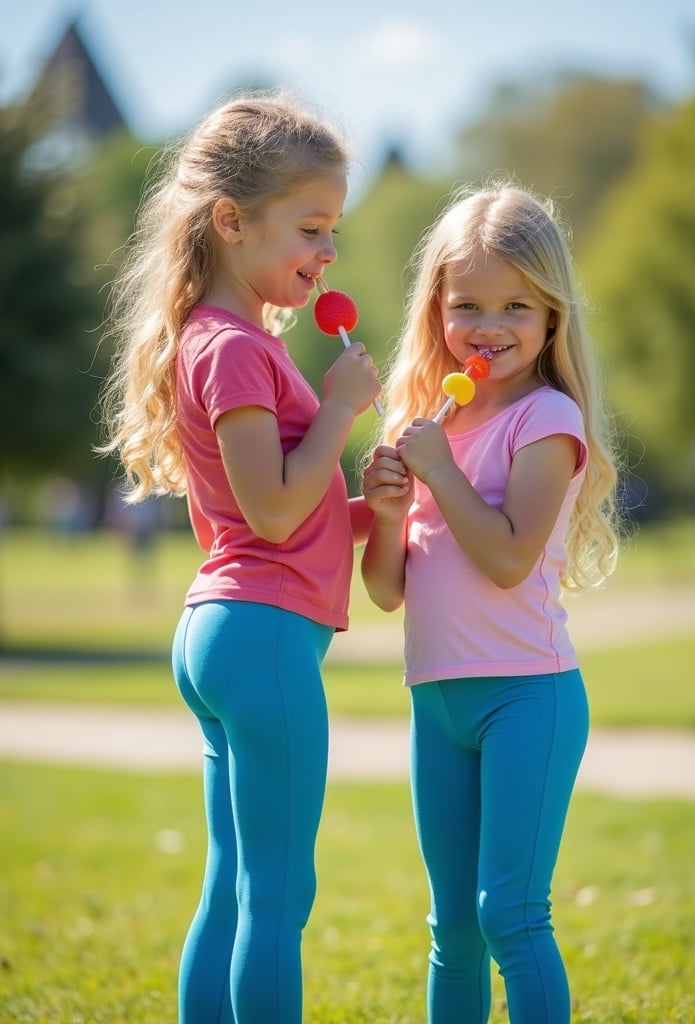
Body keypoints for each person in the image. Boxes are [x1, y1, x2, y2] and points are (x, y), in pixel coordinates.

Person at [98, 91, 381, 1024]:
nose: (328, 253)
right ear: (231, 222)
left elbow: (289, 510)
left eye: (332, 229)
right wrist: (340, 410)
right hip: (261, 639)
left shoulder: (231, 342)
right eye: (310, 227)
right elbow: (268, 509)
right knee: (277, 898)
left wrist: (367, 506)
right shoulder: (230, 350)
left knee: (232, 889)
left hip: (228, 631)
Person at [361, 180, 620, 1024]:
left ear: (552, 320)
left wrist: (437, 472)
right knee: (453, 930)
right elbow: (388, 590)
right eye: (468, 303)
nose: (490, 326)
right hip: (435, 699)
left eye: (517, 305)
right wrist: (391, 514)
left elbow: (509, 557)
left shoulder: (547, 419)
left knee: (508, 913)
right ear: (436, 309)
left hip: (525, 697)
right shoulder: (430, 421)